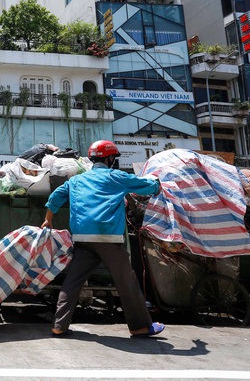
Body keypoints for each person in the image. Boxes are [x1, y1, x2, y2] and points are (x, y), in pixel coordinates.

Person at [41, 140, 165, 338]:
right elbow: (147, 186)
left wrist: (48, 220)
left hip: (82, 238)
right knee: (127, 282)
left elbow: (56, 196)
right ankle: (140, 326)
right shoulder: (116, 177)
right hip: (108, 238)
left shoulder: (76, 180)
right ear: (110, 158)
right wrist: (156, 181)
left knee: (72, 282)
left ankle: (59, 325)